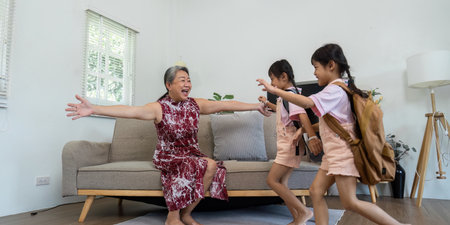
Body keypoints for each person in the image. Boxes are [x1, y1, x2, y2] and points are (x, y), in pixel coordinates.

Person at [66, 66, 270, 225]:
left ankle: (186, 214)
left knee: (212, 165)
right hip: (168, 155)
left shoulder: (194, 105)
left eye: (189, 80)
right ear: (168, 84)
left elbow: (226, 104)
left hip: (190, 153)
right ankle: (172, 217)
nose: (187, 84)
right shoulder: (158, 108)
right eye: (182, 80)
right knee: (191, 165)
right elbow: (130, 111)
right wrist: (94, 109)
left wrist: (256, 106)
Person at [257, 44, 410, 225]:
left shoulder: (334, 90)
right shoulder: (338, 88)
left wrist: (274, 91)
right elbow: (324, 123)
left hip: (342, 153)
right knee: (315, 191)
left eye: (316, 67)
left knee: (350, 202)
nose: (314, 73)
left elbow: (306, 103)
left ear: (331, 65)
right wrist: (305, 131)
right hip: (333, 153)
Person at [257, 59, 321, 225]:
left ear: (283, 77)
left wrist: (312, 137)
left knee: (272, 181)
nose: (271, 83)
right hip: (287, 145)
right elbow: (282, 109)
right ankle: (298, 217)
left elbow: (302, 115)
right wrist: (267, 103)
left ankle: (305, 212)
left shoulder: (291, 96)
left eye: (273, 79)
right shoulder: (286, 96)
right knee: (282, 182)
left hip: (289, 146)